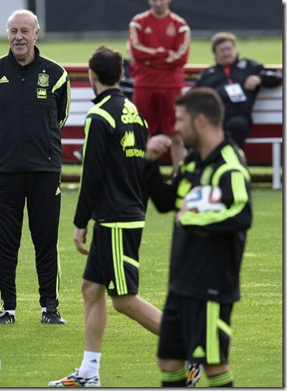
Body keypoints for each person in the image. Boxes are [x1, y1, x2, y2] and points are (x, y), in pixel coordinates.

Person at [48, 46, 162, 387]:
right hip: (127, 212)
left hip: (114, 219)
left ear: (90, 75)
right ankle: (89, 372)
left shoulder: (98, 117)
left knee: (125, 300)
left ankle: (189, 348)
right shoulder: (133, 112)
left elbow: (91, 174)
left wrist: (80, 222)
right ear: (122, 74)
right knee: (90, 289)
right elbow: (140, 169)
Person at [145, 87, 252, 387]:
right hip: (181, 284)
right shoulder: (192, 163)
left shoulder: (229, 167)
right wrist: (151, 163)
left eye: (180, 121)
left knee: (215, 365)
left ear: (200, 121)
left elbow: (241, 215)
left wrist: (193, 218)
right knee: (168, 361)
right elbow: (167, 203)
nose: (176, 128)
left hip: (212, 286)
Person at [0, 9, 71, 325]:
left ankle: (50, 308)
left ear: (36, 33)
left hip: (44, 171)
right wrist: (7, 146)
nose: (19, 36)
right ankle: (7, 308)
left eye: (25, 31)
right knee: (5, 243)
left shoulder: (56, 74)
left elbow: (60, 117)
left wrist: (39, 145)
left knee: (46, 240)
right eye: (13, 30)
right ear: (8, 34)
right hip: (3, 172)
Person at [128, 0, 190, 171]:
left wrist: (150, 59)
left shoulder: (180, 25)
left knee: (176, 134)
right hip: (145, 85)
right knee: (142, 133)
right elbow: (136, 51)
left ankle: (179, 177)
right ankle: (140, 176)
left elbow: (181, 58)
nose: (158, 2)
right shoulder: (138, 23)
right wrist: (163, 55)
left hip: (171, 86)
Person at [194, 32, 283, 149]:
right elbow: (194, 95)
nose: (226, 53)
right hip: (214, 117)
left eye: (229, 49)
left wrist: (259, 78)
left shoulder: (249, 66)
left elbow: (277, 76)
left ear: (234, 49)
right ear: (215, 54)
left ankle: (231, 160)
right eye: (222, 50)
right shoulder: (208, 74)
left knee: (237, 125)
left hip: (238, 116)